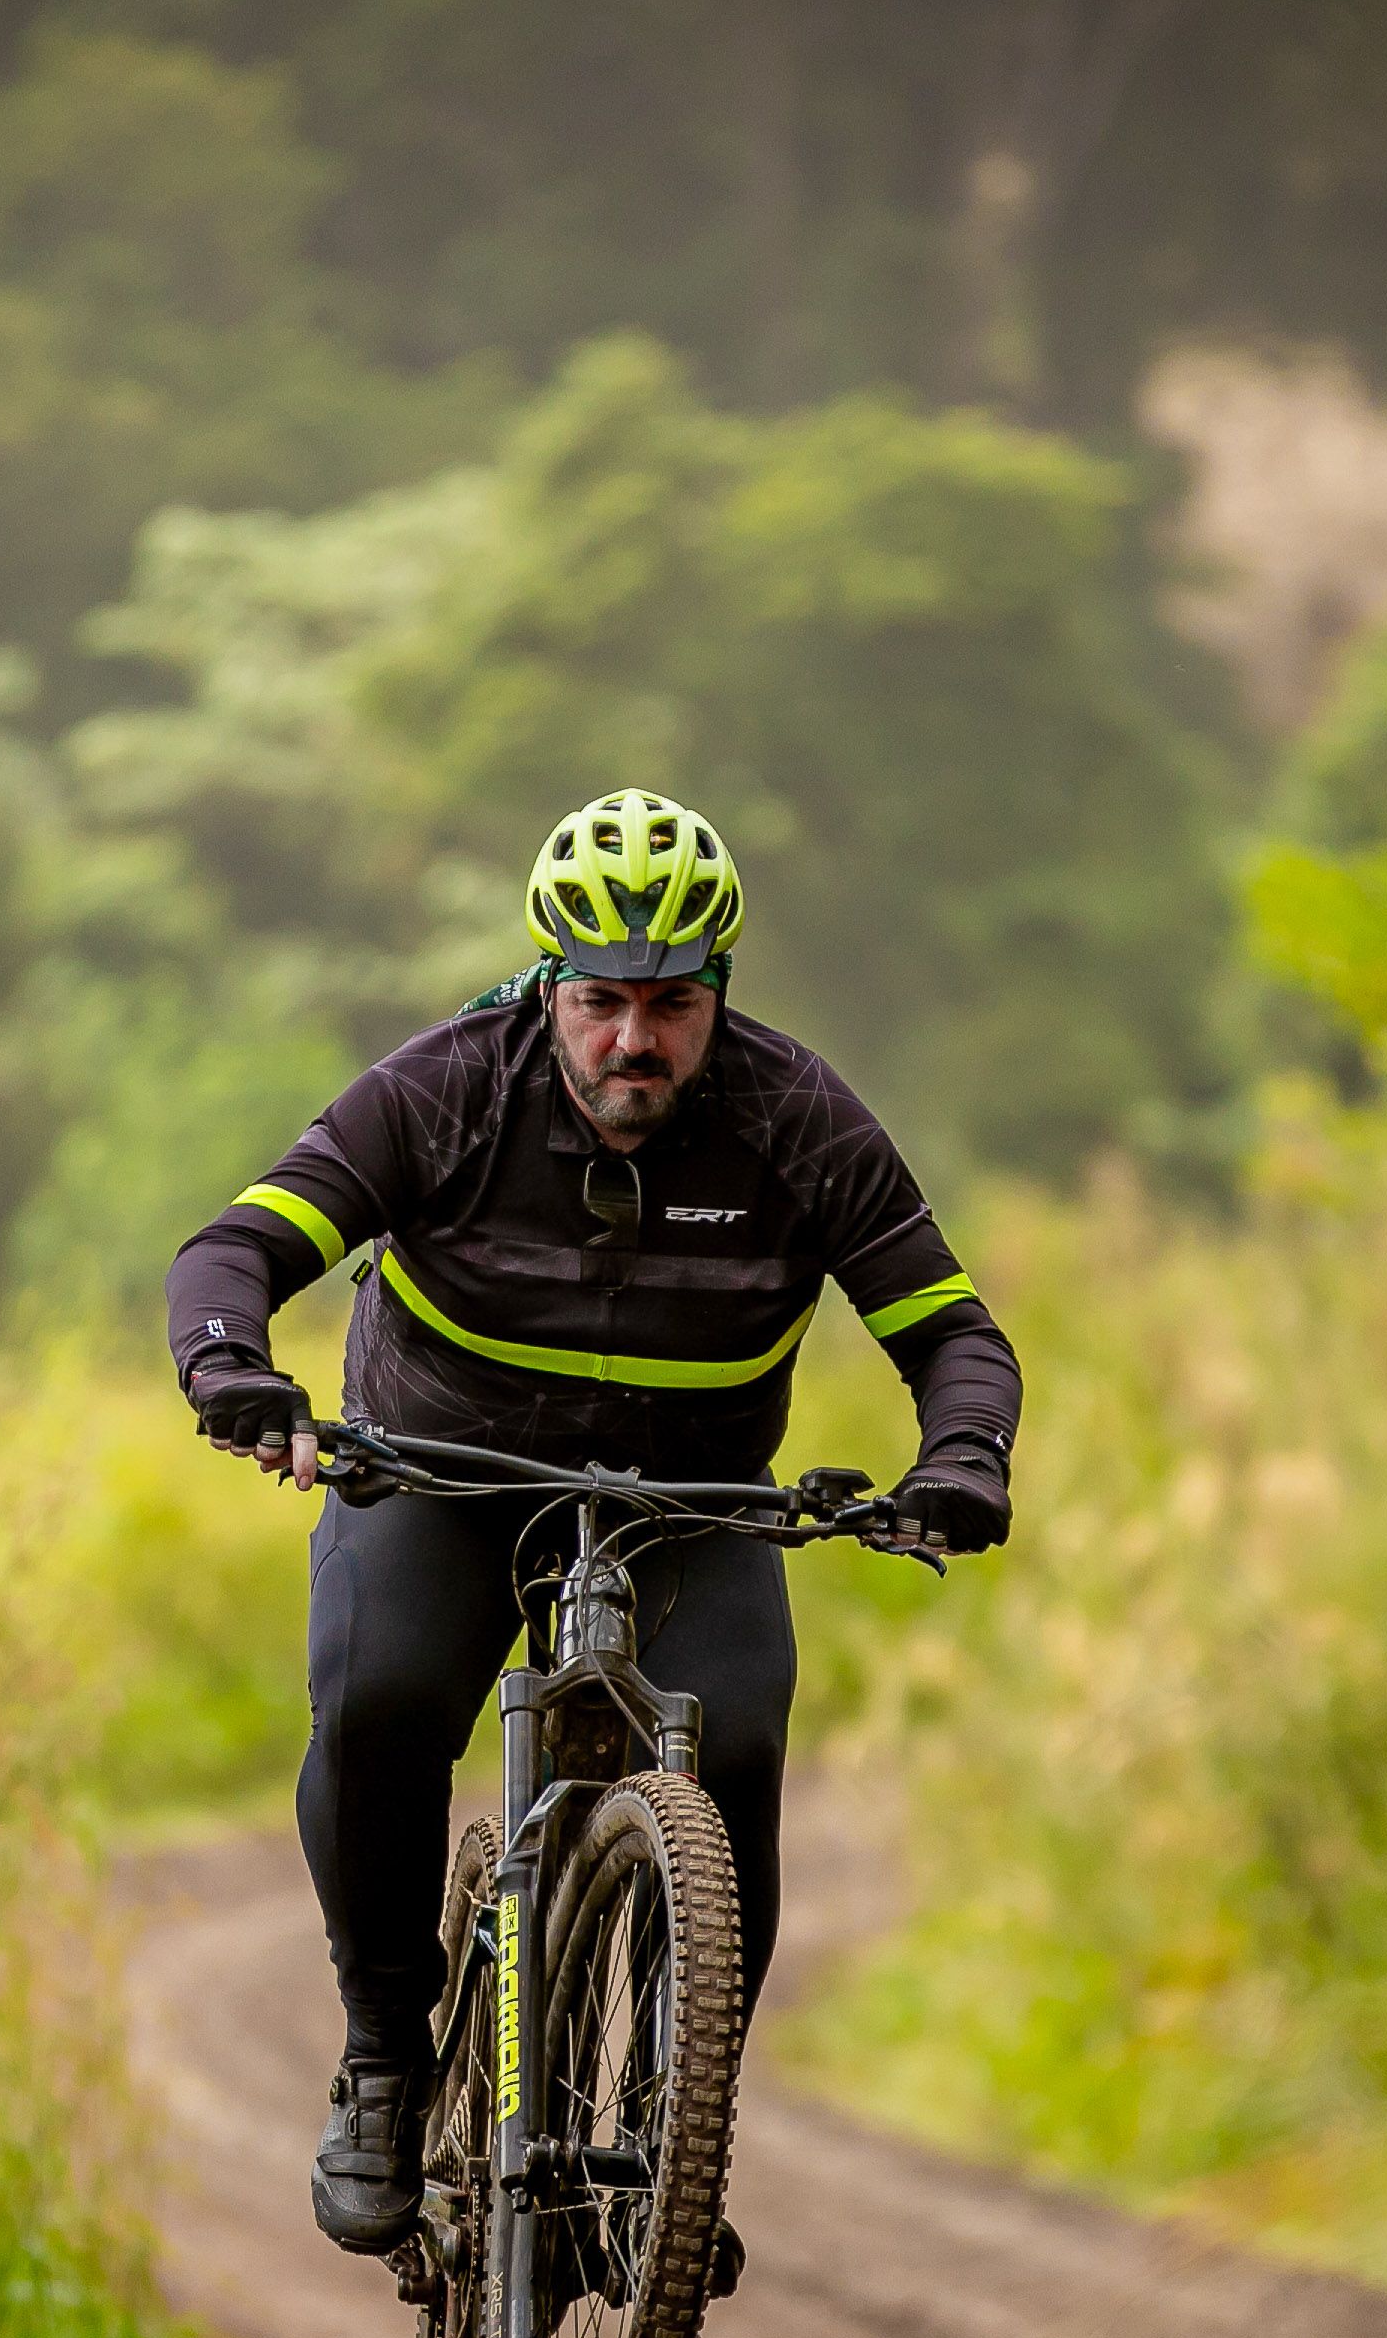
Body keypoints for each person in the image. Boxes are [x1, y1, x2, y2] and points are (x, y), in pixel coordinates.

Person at [163, 788, 1022, 2254]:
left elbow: (952, 1334)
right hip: (441, 1471)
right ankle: (382, 2061)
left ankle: (675, 2137)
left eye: (672, 1006)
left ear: (718, 997)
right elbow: (235, 1248)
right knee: (378, 1704)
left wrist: (965, 1459)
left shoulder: (797, 1118)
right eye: (603, 1002)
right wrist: (236, 1372)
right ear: (550, 987)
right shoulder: (448, 1088)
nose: (635, 1040)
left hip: (686, 1499)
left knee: (731, 1755)